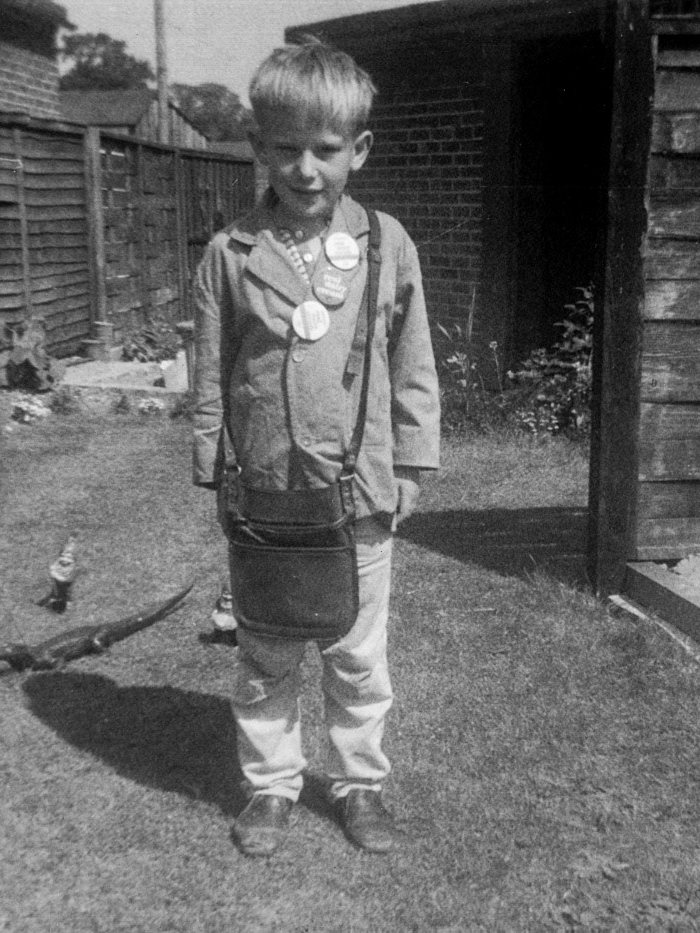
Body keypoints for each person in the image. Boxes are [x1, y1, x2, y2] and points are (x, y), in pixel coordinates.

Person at [191, 37, 440, 856]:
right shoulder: (229, 255)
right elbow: (209, 366)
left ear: (357, 151)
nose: (305, 169)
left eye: (325, 150)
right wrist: (212, 459)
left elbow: (413, 361)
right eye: (286, 148)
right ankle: (269, 786)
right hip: (262, 487)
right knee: (264, 651)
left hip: (359, 489)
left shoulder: (385, 245)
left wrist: (410, 461)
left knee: (356, 653)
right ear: (258, 146)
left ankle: (359, 782)